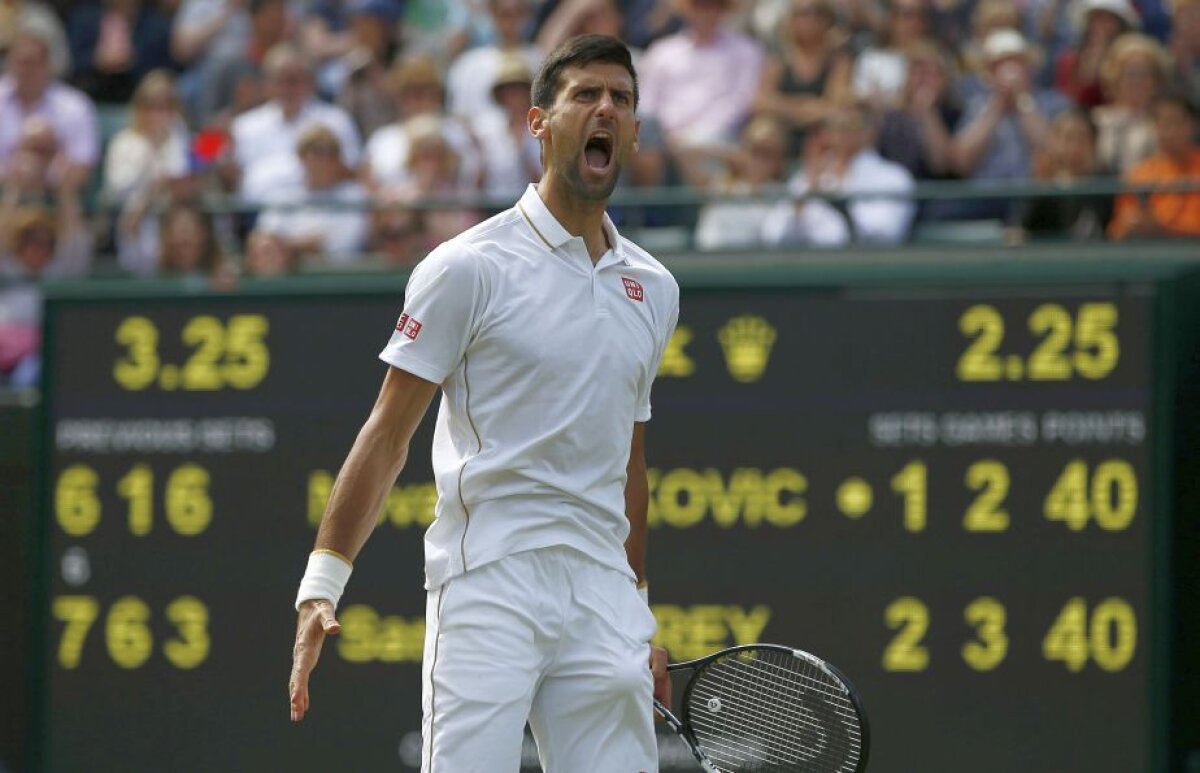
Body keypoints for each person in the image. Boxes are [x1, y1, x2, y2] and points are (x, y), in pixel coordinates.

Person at [288, 33, 676, 772]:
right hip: (490, 579)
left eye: (621, 100)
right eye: (585, 95)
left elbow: (629, 459)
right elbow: (388, 432)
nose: (605, 109)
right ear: (539, 123)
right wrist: (321, 582)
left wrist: (639, 610)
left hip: (601, 592)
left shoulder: (654, 288)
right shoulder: (467, 267)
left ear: (632, 129)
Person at [1108, 90, 1200, 239]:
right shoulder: (1140, 174)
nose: (1168, 131)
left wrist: (1161, 229)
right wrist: (1131, 224)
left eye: (1175, 122)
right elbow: (1116, 230)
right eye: (1162, 123)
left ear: (1192, 125)